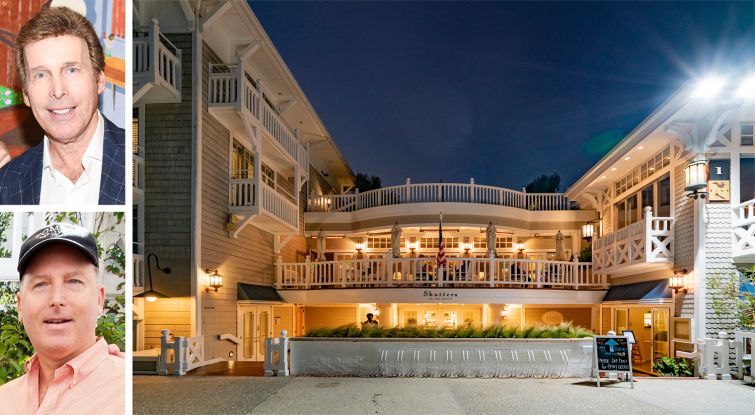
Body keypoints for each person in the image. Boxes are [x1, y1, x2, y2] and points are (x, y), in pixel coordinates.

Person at [0, 6, 125, 205]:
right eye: (41, 75)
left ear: (99, 80)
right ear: (26, 95)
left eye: (71, 70)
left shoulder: (134, 160)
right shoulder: (6, 185)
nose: (58, 90)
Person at [0, 223, 125, 414]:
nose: (56, 299)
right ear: (20, 305)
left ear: (99, 299)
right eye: (41, 284)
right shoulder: (5, 399)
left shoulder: (125, 388)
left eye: (74, 281)